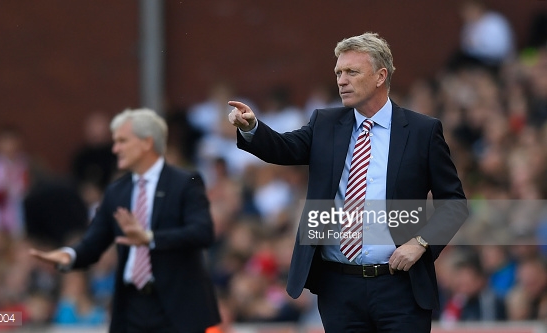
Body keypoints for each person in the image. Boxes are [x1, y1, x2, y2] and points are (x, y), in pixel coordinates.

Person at [228, 32, 468, 332]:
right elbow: (282, 147)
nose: (341, 80)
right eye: (339, 72)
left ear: (381, 76)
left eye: (351, 72)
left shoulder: (422, 131)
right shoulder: (325, 123)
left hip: (401, 288)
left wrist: (421, 243)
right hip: (339, 288)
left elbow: (454, 204)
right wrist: (252, 127)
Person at [30, 108, 220, 333]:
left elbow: (202, 232)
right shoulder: (116, 191)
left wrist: (149, 238)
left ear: (147, 142)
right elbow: (94, 242)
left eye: (122, 141)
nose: (115, 149)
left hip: (175, 307)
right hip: (132, 309)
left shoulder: (185, 182)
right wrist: (69, 255)